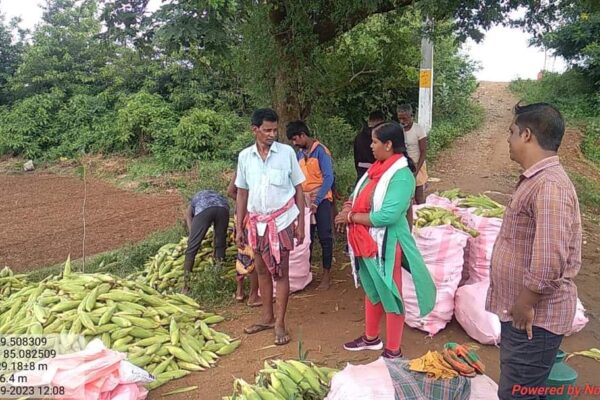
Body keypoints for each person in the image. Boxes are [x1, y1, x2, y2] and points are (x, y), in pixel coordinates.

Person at [486, 103, 582, 400]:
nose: (508, 139)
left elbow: (551, 257)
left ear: (527, 135)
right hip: (526, 318)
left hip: (533, 321)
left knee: (518, 394)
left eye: (512, 132)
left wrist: (525, 304)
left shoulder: (549, 185)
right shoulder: (539, 180)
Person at [335, 122, 436, 358]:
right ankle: (371, 338)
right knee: (373, 290)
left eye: (375, 142)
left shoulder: (400, 176)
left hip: (388, 243)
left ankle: (394, 350)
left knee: (391, 294)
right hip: (366, 241)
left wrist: (350, 216)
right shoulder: (377, 169)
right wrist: (348, 207)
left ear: (388, 145)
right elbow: (356, 194)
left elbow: (387, 215)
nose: (371, 146)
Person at [235, 108, 305, 346]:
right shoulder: (245, 157)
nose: (272, 134)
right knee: (262, 270)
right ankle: (266, 316)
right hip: (256, 223)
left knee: (281, 272)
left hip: (282, 221)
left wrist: (301, 223)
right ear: (254, 130)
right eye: (267, 130)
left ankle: (280, 323)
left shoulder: (286, 153)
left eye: (275, 129)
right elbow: (242, 194)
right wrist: (239, 226)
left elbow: (299, 189)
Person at [286, 120, 335, 290]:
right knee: (306, 238)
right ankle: (305, 274)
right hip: (304, 201)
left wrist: (317, 200)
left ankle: (327, 275)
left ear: (303, 135)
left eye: (295, 139)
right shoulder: (299, 154)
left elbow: (329, 178)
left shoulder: (321, 152)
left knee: (325, 236)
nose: (294, 143)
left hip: (321, 200)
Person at [182, 190, 230, 294]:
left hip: (205, 208)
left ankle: (186, 286)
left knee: (192, 248)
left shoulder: (193, 203)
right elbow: (217, 235)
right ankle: (218, 279)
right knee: (220, 244)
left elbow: (188, 217)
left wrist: (192, 237)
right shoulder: (215, 196)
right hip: (224, 208)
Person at [227, 172, 261, 307]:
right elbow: (230, 192)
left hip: (239, 216)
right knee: (253, 255)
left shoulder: (242, 166)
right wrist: (248, 204)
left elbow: (230, 191)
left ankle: (239, 292)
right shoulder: (253, 166)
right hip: (250, 218)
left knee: (242, 254)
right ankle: (253, 296)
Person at [397, 104, 428, 205]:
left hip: (416, 164)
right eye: (400, 118)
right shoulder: (398, 130)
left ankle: (422, 213)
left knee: (418, 196)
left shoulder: (418, 130)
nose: (402, 121)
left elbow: (423, 151)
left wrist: (416, 170)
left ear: (411, 116)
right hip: (403, 165)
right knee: (405, 196)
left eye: (404, 118)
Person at [353, 111, 385, 183]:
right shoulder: (380, 136)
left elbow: (356, 157)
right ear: (380, 121)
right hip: (377, 171)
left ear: (369, 121)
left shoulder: (358, 137)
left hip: (361, 171)